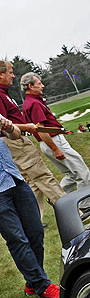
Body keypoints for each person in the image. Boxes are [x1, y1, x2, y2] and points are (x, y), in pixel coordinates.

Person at [20, 72, 90, 216]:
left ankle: (57, 197)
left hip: (48, 143)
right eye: (39, 83)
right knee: (82, 172)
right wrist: (56, 148)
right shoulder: (35, 103)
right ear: (30, 86)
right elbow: (42, 129)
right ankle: (85, 206)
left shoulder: (28, 103)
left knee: (70, 174)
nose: (42, 86)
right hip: (53, 141)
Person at [0, 114, 58, 298]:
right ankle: (42, 285)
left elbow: (15, 135)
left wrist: (9, 128)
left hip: (15, 179)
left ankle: (32, 283)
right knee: (17, 239)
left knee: (35, 231)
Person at [0, 60, 67, 221]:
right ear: (0, 74)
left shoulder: (4, 93)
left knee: (32, 183)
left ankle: (34, 221)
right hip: (14, 141)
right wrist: (26, 127)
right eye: (10, 72)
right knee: (43, 176)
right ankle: (71, 212)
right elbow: (3, 125)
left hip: (13, 142)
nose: (13, 75)